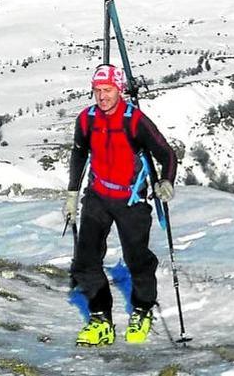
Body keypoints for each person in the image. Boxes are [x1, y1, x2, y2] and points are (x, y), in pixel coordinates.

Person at [64, 64, 177, 346]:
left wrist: (166, 181)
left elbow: (167, 154)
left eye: (108, 91)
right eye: (98, 91)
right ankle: (100, 319)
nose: (102, 97)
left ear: (119, 90)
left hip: (131, 199)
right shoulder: (86, 119)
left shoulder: (135, 120)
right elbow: (78, 156)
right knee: (84, 262)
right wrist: (72, 194)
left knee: (137, 261)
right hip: (98, 196)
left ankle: (142, 309)